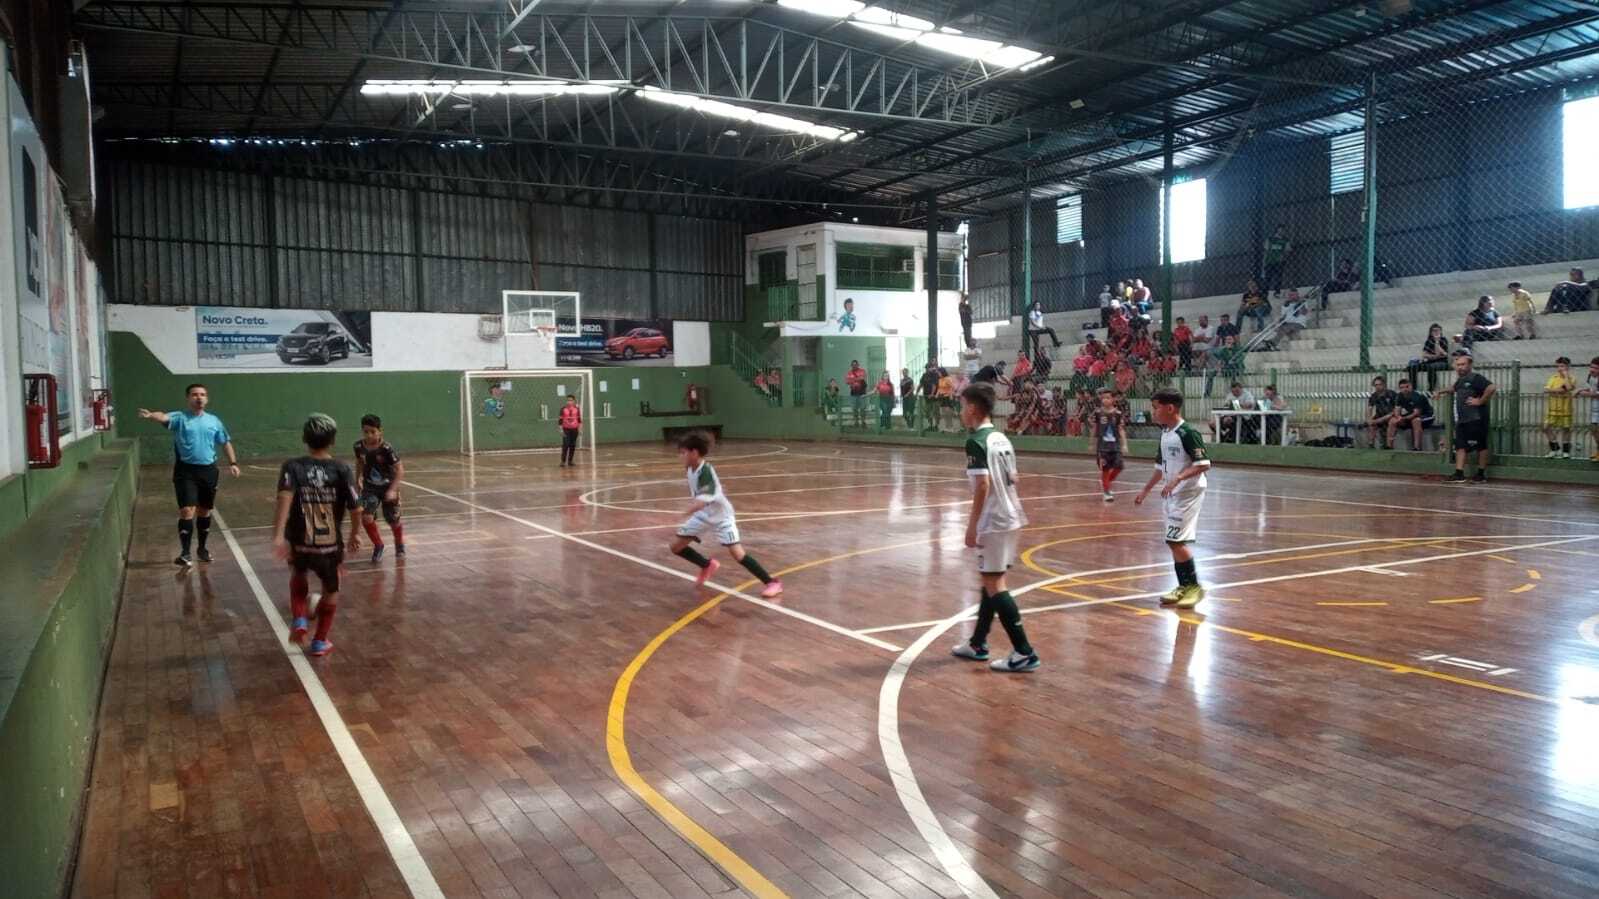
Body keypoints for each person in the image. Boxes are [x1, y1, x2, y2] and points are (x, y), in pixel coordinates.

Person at [949, 383, 1040, 673]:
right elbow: (1015, 476)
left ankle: (1024, 651)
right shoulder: (1001, 437)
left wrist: (972, 526)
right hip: (1011, 513)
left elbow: (984, 485)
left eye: (963, 406)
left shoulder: (976, 441)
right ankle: (977, 643)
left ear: (973, 408)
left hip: (995, 519)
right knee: (990, 578)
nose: (962, 412)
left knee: (995, 583)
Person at [272, 414, 363, 657]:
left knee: (298, 574)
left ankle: (300, 619)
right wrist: (355, 534)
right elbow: (357, 507)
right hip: (329, 546)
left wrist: (279, 536)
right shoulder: (342, 469)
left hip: (301, 541)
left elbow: (284, 498)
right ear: (333, 441)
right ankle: (320, 641)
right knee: (331, 590)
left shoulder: (292, 466)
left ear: (304, 438)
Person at [668, 431, 783, 597]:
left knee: (738, 554)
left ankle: (772, 582)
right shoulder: (690, 467)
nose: (680, 456)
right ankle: (707, 565)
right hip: (704, 516)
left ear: (694, 452)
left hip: (721, 517)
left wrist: (681, 514)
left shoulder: (706, 472)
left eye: (683, 452)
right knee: (676, 547)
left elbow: (701, 502)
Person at [138, 383, 241, 567]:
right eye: (195, 394)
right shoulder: (180, 418)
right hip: (185, 471)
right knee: (187, 510)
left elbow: (225, 442)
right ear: (188, 398)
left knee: (204, 511)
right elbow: (163, 416)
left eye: (202, 394)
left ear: (207, 399)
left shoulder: (214, 421)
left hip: (209, 471)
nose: (199, 397)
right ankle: (185, 553)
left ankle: (202, 549)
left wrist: (233, 463)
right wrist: (151, 415)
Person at [1134, 387, 1211, 610]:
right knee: (1173, 541)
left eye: (1155, 408)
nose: (1153, 412)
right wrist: (1145, 490)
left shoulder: (1187, 433)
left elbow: (1204, 464)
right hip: (1172, 493)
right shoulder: (1166, 434)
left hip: (1188, 493)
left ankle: (1194, 587)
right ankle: (1183, 586)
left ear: (1170, 408)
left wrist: (1178, 479)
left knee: (1175, 540)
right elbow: (1160, 468)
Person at [354, 414, 406, 562]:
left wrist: (392, 490)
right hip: (370, 488)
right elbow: (359, 463)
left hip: (388, 487)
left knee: (393, 520)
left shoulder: (386, 448)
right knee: (366, 517)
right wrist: (357, 478)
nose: (369, 435)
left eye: (373, 432)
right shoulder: (358, 446)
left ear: (380, 431)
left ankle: (399, 543)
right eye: (366, 432)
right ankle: (378, 545)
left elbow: (400, 469)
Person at [1440, 349, 1495, 484]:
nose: (1460, 367)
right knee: (1460, 446)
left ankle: (1481, 474)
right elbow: (1453, 389)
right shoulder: (1460, 381)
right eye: (1458, 365)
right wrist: (1440, 391)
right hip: (1463, 419)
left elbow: (1492, 387)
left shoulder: (1476, 378)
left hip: (1476, 419)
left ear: (1469, 365)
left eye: (1463, 364)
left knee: (1480, 446)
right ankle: (1459, 474)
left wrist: (1480, 401)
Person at [1090, 388, 1127, 502]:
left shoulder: (1118, 414)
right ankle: (1106, 492)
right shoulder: (1097, 413)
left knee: (1119, 466)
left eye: (1108, 398)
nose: (1105, 400)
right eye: (1103, 398)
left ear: (1113, 399)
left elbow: (1121, 430)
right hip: (1103, 448)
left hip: (1115, 446)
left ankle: (1106, 483)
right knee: (1105, 469)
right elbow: (1094, 428)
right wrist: (1092, 443)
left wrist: (1124, 444)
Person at [1389, 380, 1435, 452]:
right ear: (1399, 389)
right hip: (1411, 416)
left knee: (1416, 420)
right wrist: (1398, 418)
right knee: (1392, 420)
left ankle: (1417, 448)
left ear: (1411, 386)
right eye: (1402, 387)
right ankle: (1389, 447)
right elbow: (1397, 410)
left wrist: (1403, 418)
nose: (1405, 389)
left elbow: (1416, 413)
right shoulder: (1399, 396)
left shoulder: (1417, 396)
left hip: (1427, 416)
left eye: (1407, 387)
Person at [1545, 356, 1576, 459]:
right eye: (1558, 366)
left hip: (1566, 408)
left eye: (1562, 366)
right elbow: (1546, 389)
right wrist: (1560, 390)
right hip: (1553, 408)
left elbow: (1568, 388)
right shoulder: (1553, 378)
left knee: (1566, 429)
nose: (1560, 368)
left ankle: (1566, 452)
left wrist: (1566, 377)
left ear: (1568, 367)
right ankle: (1555, 449)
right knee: (1545, 427)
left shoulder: (1572, 378)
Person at [1408, 323, 1453, 392]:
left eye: (1437, 330)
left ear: (1440, 331)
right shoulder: (1429, 341)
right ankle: (1413, 388)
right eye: (1434, 331)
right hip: (1430, 362)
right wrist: (1435, 356)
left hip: (1442, 362)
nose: (1436, 332)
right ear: (1431, 332)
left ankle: (1431, 389)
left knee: (1431, 367)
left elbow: (1444, 354)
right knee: (1412, 367)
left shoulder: (1443, 340)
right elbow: (1424, 354)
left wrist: (1437, 342)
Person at [1365, 376, 1399, 449]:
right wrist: (1369, 419)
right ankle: (1371, 444)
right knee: (1371, 424)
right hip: (1379, 416)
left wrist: (1380, 419)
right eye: (1376, 385)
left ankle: (1389, 446)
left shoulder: (1392, 394)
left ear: (1384, 385)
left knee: (1392, 422)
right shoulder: (1374, 396)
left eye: (1379, 384)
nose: (1377, 387)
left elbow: (1395, 411)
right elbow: (1369, 408)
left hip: (1391, 416)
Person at [1262, 224, 1291, 295]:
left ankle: (1277, 292)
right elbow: (1266, 250)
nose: (1282, 231)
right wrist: (1264, 261)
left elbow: (1288, 250)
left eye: (1283, 230)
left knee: (1278, 277)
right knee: (1268, 277)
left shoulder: (1285, 240)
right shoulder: (1270, 239)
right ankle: (1265, 292)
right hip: (1269, 260)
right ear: (1277, 230)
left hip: (1279, 261)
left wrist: (1284, 257)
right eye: (1281, 229)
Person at [1580, 357, 1599, 461]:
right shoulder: (1590, 376)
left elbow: (1596, 394)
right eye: (1591, 367)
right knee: (1593, 429)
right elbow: (1589, 388)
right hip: (1595, 409)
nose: (1592, 370)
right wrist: (1579, 390)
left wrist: (1586, 394)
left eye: (1596, 368)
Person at [557, 394, 582, 467]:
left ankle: (570, 461)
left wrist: (580, 429)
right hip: (566, 429)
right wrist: (561, 430)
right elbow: (560, 420)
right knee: (565, 444)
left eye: (571, 400)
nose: (569, 402)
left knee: (572, 445)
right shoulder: (563, 409)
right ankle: (563, 461)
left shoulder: (577, 409)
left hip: (574, 429)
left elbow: (579, 420)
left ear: (574, 401)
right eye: (568, 400)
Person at [845, 360, 868, 427]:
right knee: (854, 408)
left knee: (862, 408)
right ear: (851, 365)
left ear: (858, 365)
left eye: (855, 364)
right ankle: (856, 422)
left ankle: (863, 422)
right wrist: (857, 379)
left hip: (862, 392)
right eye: (853, 364)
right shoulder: (849, 373)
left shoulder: (862, 371)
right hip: (853, 392)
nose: (854, 366)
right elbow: (847, 381)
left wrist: (852, 380)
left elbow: (862, 378)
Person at [918, 363, 940, 432]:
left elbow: (934, 385)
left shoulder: (935, 375)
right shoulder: (924, 375)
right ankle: (930, 425)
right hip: (926, 397)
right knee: (927, 412)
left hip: (934, 397)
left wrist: (932, 393)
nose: (927, 369)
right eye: (926, 368)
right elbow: (921, 384)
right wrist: (916, 392)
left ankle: (936, 426)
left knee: (935, 412)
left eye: (929, 368)